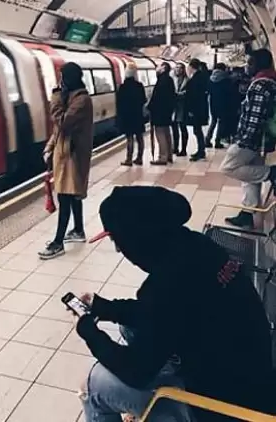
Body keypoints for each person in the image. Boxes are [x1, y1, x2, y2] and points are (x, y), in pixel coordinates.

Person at [74, 185, 274, 422]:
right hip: (253, 378)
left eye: (118, 241)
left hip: (222, 410)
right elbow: (164, 312)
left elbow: (136, 371)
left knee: (93, 383)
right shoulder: (198, 246)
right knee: (130, 328)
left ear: (136, 241)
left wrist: (89, 332)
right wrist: (104, 307)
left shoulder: (167, 284)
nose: (118, 249)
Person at [39, 62, 93, 259]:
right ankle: (78, 230)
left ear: (70, 78)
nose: (60, 81)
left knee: (65, 197)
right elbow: (58, 132)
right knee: (72, 195)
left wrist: (54, 99)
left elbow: (62, 123)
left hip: (73, 157)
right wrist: (49, 148)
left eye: (62, 76)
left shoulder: (82, 100)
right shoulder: (70, 97)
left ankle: (58, 242)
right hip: (64, 155)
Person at [220, 49, 276, 229]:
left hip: (252, 141)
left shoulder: (260, 85)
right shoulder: (270, 82)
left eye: (250, 63)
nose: (247, 67)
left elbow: (255, 118)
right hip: (261, 141)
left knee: (229, 167)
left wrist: (243, 141)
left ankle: (272, 173)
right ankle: (248, 213)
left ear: (259, 65)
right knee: (249, 176)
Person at [116, 65, 147, 166]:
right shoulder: (139, 86)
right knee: (140, 138)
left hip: (127, 117)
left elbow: (119, 103)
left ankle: (128, 159)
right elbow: (144, 100)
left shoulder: (122, 87)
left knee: (129, 138)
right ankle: (139, 158)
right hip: (138, 115)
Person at [148, 62, 176, 165]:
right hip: (167, 112)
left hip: (159, 112)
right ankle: (169, 155)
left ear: (163, 68)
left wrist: (149, 106)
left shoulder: (161, 81)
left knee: (160, 134)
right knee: (167, 133)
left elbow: (156, 98)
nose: (157, 68)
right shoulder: (169, 80)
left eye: (159, 66)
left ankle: (162, 157)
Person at [205, 63, 235, 149]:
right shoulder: (226, 79)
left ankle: (207, 139)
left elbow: (208, 90)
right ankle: (217, 141)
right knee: (221, 122)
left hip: (213, 102)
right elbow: (229, 92)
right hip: (223, 102)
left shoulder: (210, 79)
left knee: (213, 121)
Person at [185, 58, 209, 162]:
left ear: (191, 67)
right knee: (197, 130)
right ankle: (201, 150)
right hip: (201, 108)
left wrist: (191, 110)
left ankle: (201, 152)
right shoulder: (202, 77)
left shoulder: (195, 79)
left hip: (196, 109)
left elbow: (193, 96)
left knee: (197, 130)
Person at [172, 62, 189, 156]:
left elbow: (189, 93)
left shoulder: (188, 80)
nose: (178, 69)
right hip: (174, 107)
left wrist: (179, 94)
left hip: (183, 107)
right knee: (174, 129)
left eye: (180, 68)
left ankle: (183, 149)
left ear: (183, 70)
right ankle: (175, 147)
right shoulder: (172, 79)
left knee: (183, 128)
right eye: (176, 67)